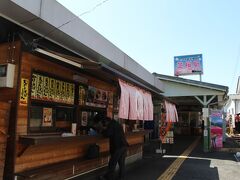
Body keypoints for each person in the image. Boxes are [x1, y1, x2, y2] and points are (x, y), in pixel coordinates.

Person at [93, 113, 129, 180]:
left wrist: (101, 130)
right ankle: (121, 178)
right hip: (123, 145)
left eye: (102, 122)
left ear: (104, 121)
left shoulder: (111, 125)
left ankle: (108, 178)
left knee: (112, 164)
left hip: (118, 147)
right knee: (121, 164)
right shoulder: (115, 123)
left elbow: (107, 134)